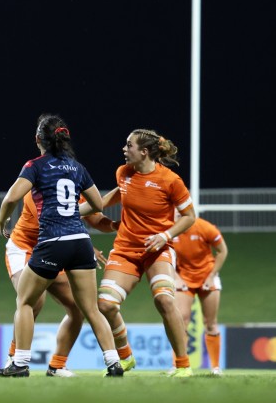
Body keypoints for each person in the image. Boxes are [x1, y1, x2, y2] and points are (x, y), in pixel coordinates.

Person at [0, 114, 123, 377]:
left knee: (26, 301)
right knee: (89, 308)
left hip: (52, 243)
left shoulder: (35, 166)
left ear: (37, 139)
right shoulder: (76, 167)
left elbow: (11, 198)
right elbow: (98, 205)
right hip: (73, 243)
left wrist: (1, 220)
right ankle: (114, 362)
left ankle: (21, 363)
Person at [93, 129, 197, 377]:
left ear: (144, 151)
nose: (124, 149)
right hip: (126, 251)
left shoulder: (170, 181)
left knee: (164, 299)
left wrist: (165, 236)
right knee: (105, 305)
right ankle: (126, 356)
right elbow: (106, 201)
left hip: (158, 251)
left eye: (129, 145)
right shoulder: (124, 173)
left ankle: (183, 365)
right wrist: (69, 211)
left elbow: (189, 217)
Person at [170, 216, 227, 375]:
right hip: (183, 278)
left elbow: (223, 250)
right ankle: (177, 365)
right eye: (175, 213)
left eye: (181, 213)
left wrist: (211, 276)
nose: (177, 216)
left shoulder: (205, 227)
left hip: (207, 276)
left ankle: (215, 368)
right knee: (181, 322)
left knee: (210, 322)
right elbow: (164, 256)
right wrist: (176, 277)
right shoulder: (170, 230)